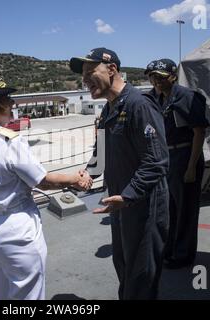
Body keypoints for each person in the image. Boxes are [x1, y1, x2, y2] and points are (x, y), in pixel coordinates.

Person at [0, 73, 92, 300]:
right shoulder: (9, 141)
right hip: (17, 230)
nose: (12, 104)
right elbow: (43, 181)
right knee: (28, 295)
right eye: (7, 99)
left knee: (1, 293)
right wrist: (75, 179)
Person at [70, 48, 170, 300]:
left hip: (143, 205)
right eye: (83, 75)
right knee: (124, 267)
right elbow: (100, 153)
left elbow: (156, 161)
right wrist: (86, 174)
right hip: (120, 203)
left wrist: (128, 195)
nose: (85, 80)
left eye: (90, 72)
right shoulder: (108, 110)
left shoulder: (139, 105)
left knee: (141, 275)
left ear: (112, 69)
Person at [145, 59, 210, 268]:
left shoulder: (187, 97)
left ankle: (183, 255)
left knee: (186, 210)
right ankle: (170, 249)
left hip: (185, 155)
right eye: (153, 76)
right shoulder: (157, 97)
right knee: (169, 209)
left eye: (160, 77)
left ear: (173, 76)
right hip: (168, 158)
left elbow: (199, 132)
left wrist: (191, 168)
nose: (156, 81)